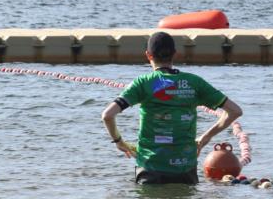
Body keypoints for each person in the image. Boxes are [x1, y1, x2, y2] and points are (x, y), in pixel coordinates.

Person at [100, 31, 242, 184]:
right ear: (175, 54)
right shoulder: (194, 82)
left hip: (150, 167)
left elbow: (107, 115)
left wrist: (119, 141)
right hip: (185, 168)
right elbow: (235, 111)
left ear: (148, 55)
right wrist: (206, 137)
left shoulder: (142, 82)